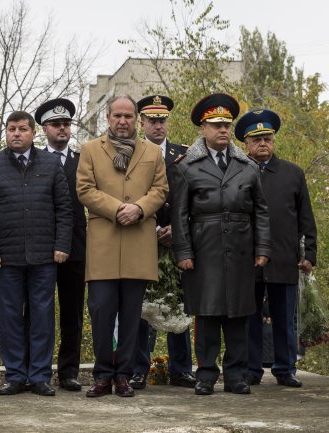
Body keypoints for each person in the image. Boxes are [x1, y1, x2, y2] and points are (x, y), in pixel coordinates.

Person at [171, 93, 270, 396]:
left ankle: (236, 376)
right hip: (204, 251)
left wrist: (263, 249)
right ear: (203, 128)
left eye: (227, 125)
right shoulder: (188, 166)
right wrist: (184, 252)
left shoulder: (248, 167)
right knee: (208, 315)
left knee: (239, 316)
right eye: (215, 125)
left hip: (241, 250)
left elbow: (261, 212)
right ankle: (205, 375)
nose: (223, 130)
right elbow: (180, 214)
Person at [0, 110, 73, 397]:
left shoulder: (51, 164)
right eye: (11, 129)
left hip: (45, 256)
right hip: (6, 257)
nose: (16, 134)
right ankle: (15, 375)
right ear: (5, 133)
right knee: (10, 317)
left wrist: (62, 245)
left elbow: (64, 209)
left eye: (22, 129)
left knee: (42, 316)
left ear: (33, 133)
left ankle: (40, 375)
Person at [76, 95, 168, 397]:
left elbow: (160, 190)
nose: (123, 121)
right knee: (101, 310)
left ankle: (124, 375)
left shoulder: (153, 152)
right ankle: (103, 374)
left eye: (129, 116)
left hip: (138, 243)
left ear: (136, 118)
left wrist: (139, 208)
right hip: (104, 242)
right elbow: (85, 190)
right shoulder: (90, 150)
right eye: (117, 115)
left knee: (131, 315)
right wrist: (118, 208)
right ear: (108, 117)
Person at [236, 109, 317, 388]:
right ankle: (251, 369)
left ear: (274, 141)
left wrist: (309, 255)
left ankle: (285, 368)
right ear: (245, 143)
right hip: (246, 260)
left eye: (267, 138)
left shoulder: (292, 173)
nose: (262, 143)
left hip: (285, 258)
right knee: (250, 318)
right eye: (256, 139)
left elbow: (306, 218)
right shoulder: (237, 172)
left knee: (285, 318)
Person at [130, 95, 195, 390]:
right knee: (141, 307)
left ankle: (181, 368)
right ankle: (138, 369)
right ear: (141, 122)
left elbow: (194, 199)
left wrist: (179, 230)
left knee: (178, 304)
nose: (158, 125)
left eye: (162, 120)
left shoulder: (185, 155)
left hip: (178, 239)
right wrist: (152, 227)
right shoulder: (131, 153)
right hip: (142, 238)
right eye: (152, 120)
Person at [34, 98, 87, 392]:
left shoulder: (83, 161)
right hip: (42, 245)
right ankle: (36, 370)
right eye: (56, 124)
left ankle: (68, 371)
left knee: (72, 313)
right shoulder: (35, 160)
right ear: (44, 129)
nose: (62, 129)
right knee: (39, 312)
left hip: (77, 246)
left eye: (66, 124)